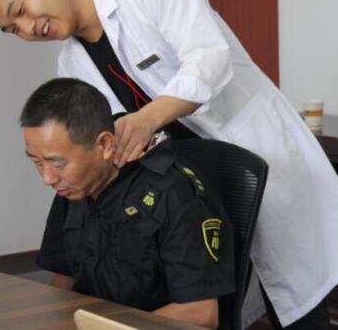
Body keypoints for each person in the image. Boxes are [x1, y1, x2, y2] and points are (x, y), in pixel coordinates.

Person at [0, 0, 338, 329]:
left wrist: (147, 119)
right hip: (182, 198)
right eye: (13, 29)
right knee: (218, 305)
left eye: (21, 10)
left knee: (296, 309)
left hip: (256, 162)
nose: (28, 29)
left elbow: (209, 58)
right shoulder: (71, 66)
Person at [21, 77, 235, 329]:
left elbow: (200, 313)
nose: (47, 178)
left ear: (104, 144)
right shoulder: (72, 189)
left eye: (57, 163)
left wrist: (104, 326)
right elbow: (64, 280)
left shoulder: (172, 194)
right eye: (37, 162)